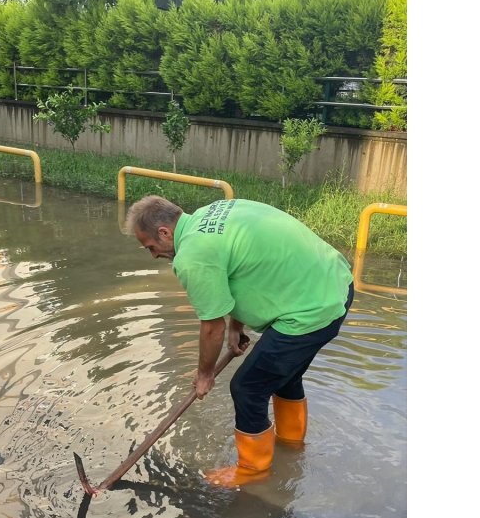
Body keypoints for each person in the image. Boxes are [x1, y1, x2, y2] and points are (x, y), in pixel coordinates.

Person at [125, 195, 355, 487]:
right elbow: (242, 273)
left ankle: (253, 471)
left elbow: (211, 328)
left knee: (246, 388)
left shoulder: (192, 255)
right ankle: (291, 445)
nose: (153, 254)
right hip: (335, 282)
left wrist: (204, 375)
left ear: (164, 232)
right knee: (285, 376)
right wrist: (237, 325)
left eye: (151, 247)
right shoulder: (213, 212)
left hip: (311, 309)